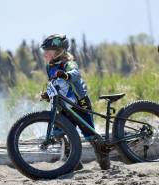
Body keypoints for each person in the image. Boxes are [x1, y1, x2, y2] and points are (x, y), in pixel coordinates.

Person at [40, 34, 110, 170]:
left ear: (59, 51)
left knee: (90, 134)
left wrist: (67, 75)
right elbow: (55, 84)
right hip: (64, 105)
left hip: (79, 103)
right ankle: (74, 162)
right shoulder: (49, 67)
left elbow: (76, 73)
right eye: (44, 52)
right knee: (59, 132)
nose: (45, 55)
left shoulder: (68, 63)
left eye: (48, 51)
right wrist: (48, 94)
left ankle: (103, 158)